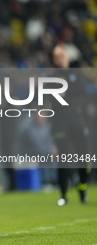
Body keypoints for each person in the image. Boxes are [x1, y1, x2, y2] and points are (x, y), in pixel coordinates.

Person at [51, 45, 90, 206]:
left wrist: (65, 93)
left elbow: (83, 90)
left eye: (62, 56)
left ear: (67, 56)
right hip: (61, 124)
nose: (60, 59)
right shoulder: (52, 76)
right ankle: (63, 194)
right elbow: (53, 97)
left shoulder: (76, 74)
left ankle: (82, 188)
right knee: (63, 158)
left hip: (77, 121)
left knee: (83, 156)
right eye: (57, 57)